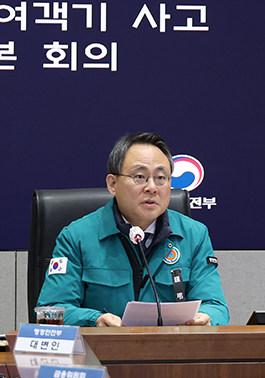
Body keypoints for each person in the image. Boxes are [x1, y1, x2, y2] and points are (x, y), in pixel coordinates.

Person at [36, 133, 229, 327]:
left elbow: (216, 306)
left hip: (172, 352)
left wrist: (207, 318)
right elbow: (53, 309)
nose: (152, 187)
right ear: (113, 184)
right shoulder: (76, 237)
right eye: (140, 177)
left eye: (161, 177)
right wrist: (94, 321)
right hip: (101, 353)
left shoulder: (194, 235)